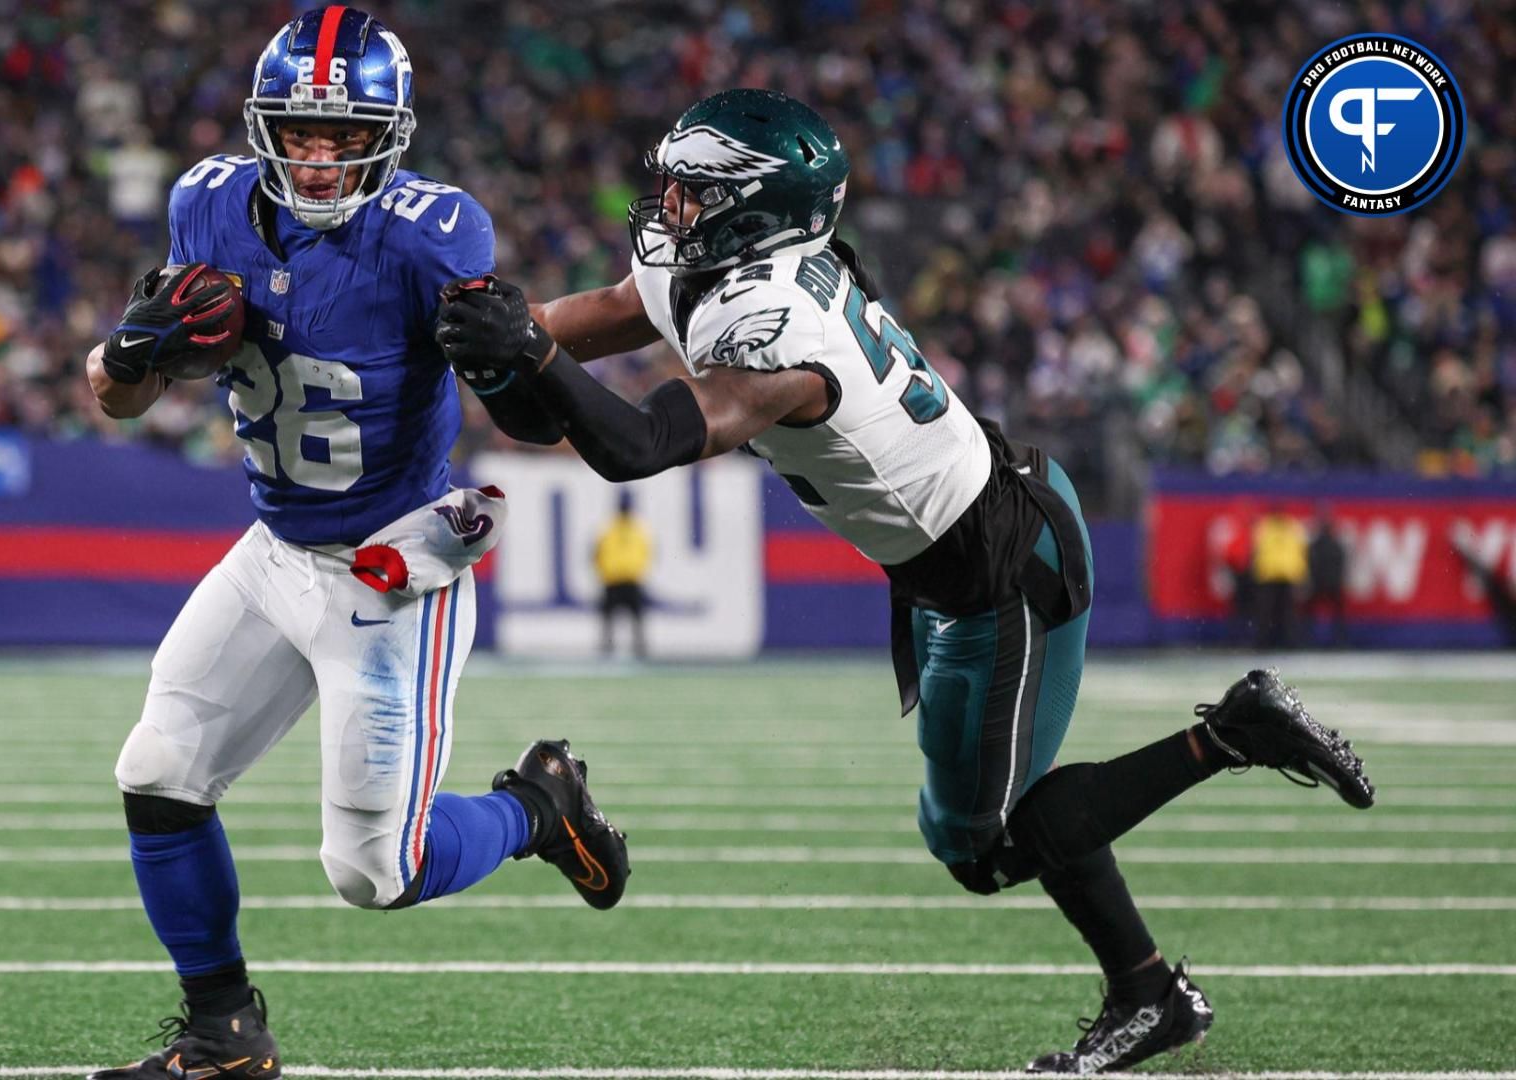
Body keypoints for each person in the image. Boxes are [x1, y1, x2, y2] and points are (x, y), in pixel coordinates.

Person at [436, 88, 1376, 1074]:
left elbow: (639, 444)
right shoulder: (717, 259)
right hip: (964, 538)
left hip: (999, 567)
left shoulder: (782, 331)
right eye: (671, 182)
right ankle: (1145, 987)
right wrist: (505, 329)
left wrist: (532, 349)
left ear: (752, 212)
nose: (665, 203)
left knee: (985, 846)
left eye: (692, 189)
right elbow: (614, 314)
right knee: (979, 812)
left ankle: (1233, 734)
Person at [80, 9, 629, 1079]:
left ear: (390, 132)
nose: (320, 154)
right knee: (158, 769)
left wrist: (516, 360)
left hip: (388, 569)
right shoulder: (205, 205)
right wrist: (135, 347)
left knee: (378, 872)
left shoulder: (433, 233)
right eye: (300, 129)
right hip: (275, 545)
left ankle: (537, 805)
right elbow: (116, 397)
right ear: (263, 126)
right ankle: (221, 1033)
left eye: (345, 133)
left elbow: (524, 414)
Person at [594, 490, 651, 657]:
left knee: (634, 619)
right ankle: (608, 650)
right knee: (610, 619)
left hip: (628, 580)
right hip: (615, 580)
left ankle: (638, 650)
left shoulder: (630, 528)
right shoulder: (614, 528)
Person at [1250, 504, 1307, 649]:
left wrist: (1300, 575)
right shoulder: (1265, 527)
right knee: (1266, 613)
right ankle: (1264, 643)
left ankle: (1288, 643)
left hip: (1285, 576)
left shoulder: (1290, 527)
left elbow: (1299, 553)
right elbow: (1256, 551)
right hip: (1269, 576)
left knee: (1287, 615)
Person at [1305, 505, 1348, 647]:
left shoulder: (1316, 545)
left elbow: (1311, 563)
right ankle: (1340, 640)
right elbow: (1341, 563)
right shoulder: (1335, 545)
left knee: (1311, 611)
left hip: (1320, 582)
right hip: (1331, 583)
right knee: (1337, 613)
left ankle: (1308, 639)